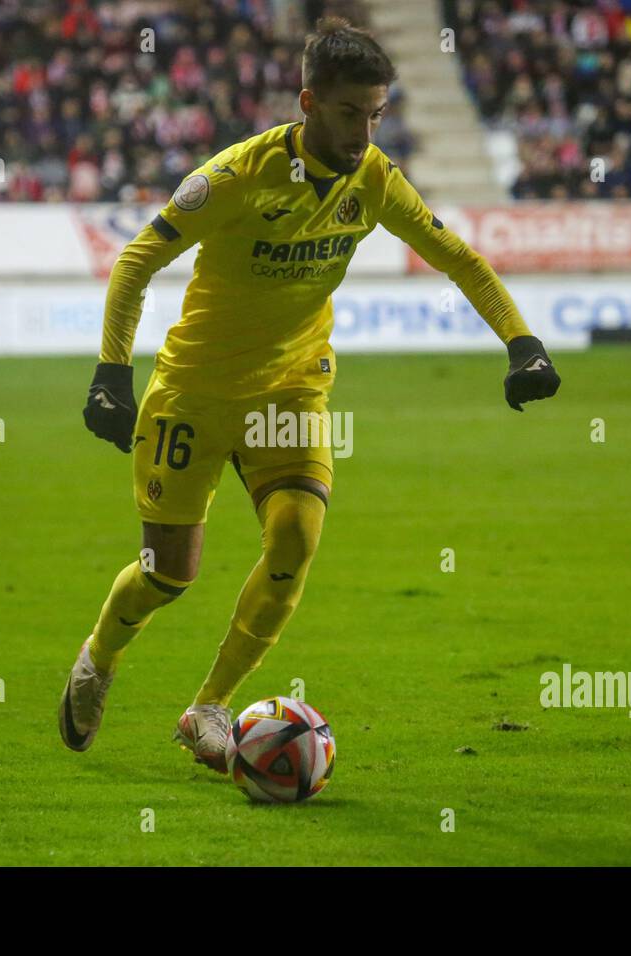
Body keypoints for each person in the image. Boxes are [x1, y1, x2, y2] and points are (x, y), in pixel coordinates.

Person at [60, 16, 561, 771]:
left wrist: (523, 345)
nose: (365, 131)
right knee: (170, 572)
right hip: (195, 390)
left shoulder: (375, 180)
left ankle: (209, 707)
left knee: (294, 537)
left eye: (377, 114)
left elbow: (457, 258)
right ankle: (101, 655)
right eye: (350, 113)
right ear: (308, 101)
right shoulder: (237, 175)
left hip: (292, 389)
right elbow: (136, 260)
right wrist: (109, 374)